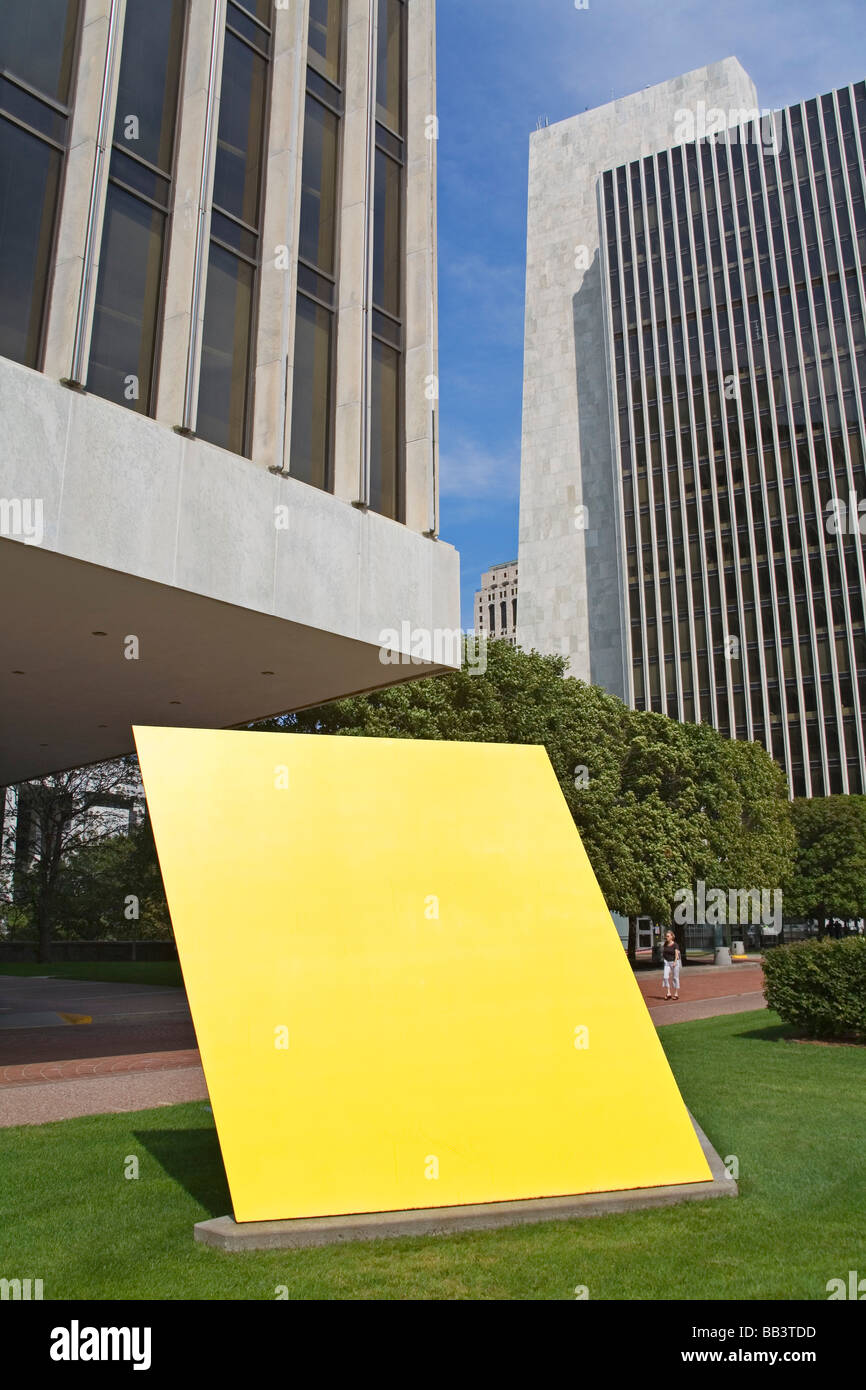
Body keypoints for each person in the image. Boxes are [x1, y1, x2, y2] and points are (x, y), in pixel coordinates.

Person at [662, 930, 681, 1001]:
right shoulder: (665, 944)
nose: (666, 937)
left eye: (668, 936)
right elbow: (664, 951)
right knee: (665, 977)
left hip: (674, 962)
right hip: (666, 962)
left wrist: (675, 962)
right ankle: (668, 993)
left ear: (672, 937)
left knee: (675, 978)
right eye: (666, 936)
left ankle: (676, 994)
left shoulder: (675, 944)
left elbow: (677, 954)